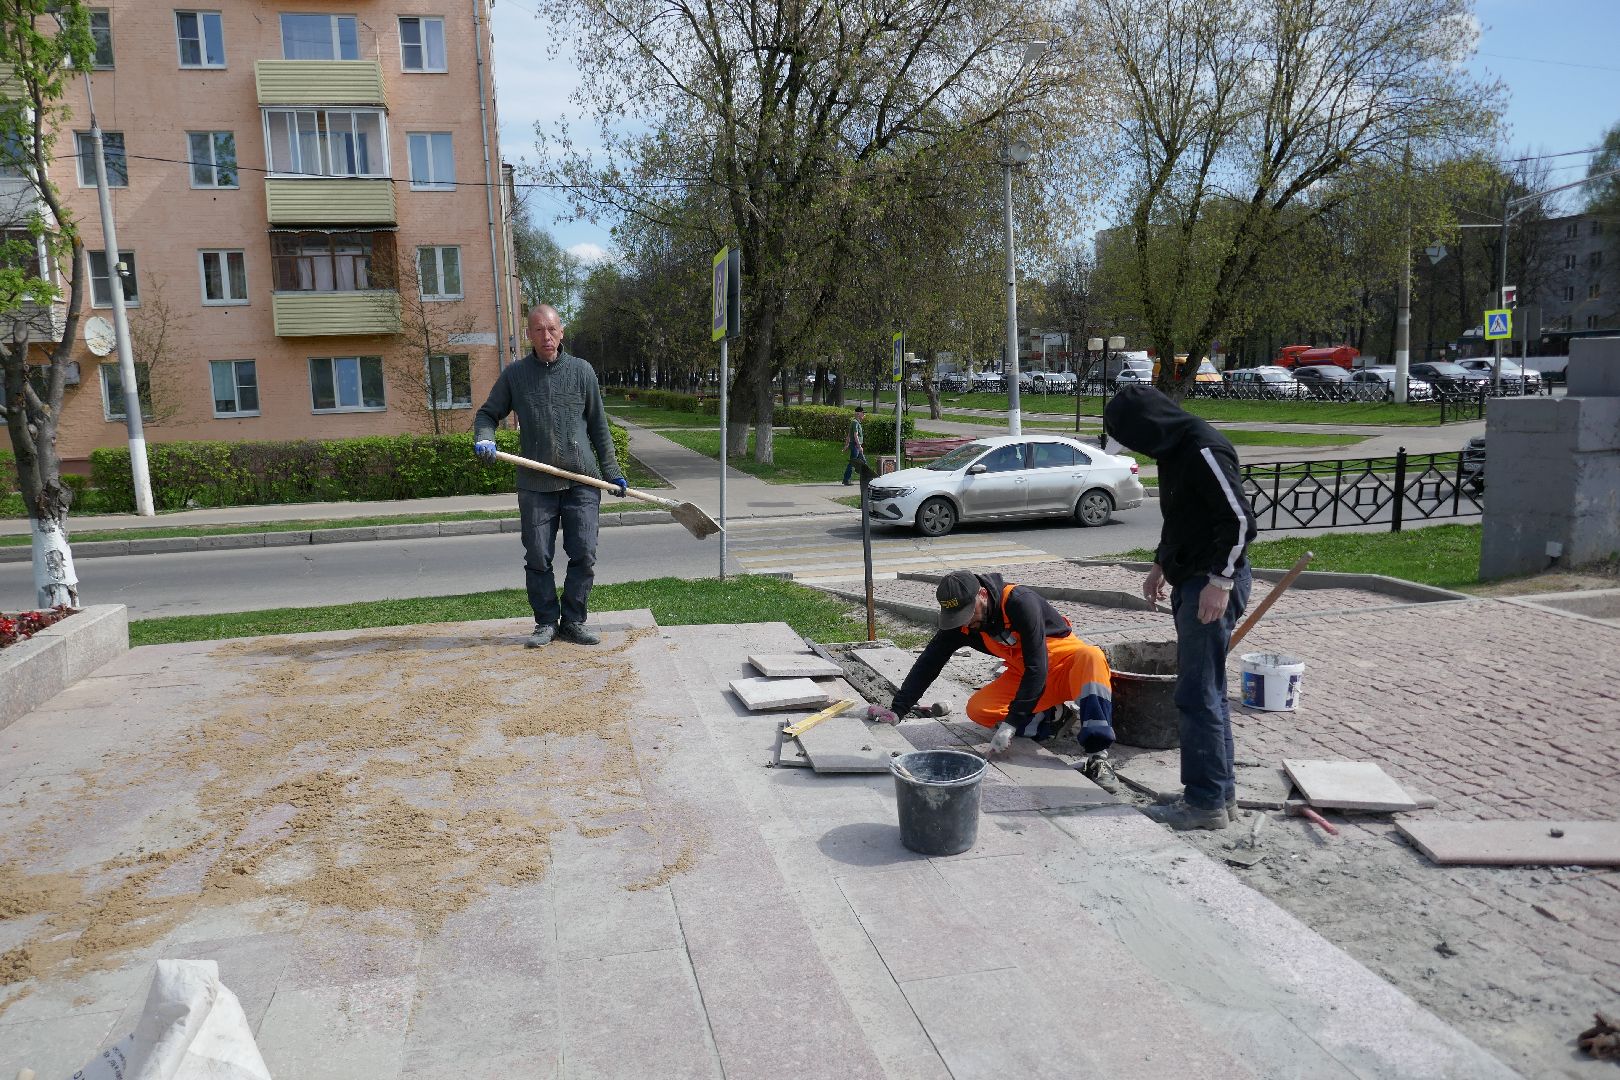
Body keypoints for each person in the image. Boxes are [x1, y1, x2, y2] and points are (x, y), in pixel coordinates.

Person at [1102, 384, 1258, 830]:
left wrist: (1220, 582)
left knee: (1196, 694)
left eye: (1135, 441)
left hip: (1210, 583)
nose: (1138, 450)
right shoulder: (1175, 449)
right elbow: (1182, 519)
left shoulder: (1204, 449)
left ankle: (1204, 803)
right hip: (1191, 577)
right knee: (1208, 691)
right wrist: (1160, 565)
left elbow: (1239, 522)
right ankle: (1219, 793)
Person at [474, 305, 627, 648]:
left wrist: (612, 472)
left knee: (584, 553)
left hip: (582, 482)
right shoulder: (515, 375)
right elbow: (487, 414)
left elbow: (599, 427)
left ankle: (573, 621)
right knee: (538, 556)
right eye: (539, 330)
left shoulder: (582, 371)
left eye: (552, 329)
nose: (546, 336)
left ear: (562, 332)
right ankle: (545, 622)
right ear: (529, 334)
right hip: (535, 484)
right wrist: (485, 437)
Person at [869, 570, 1115, 761]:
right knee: (979, 710)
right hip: (1026, 675)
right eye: (959, 617)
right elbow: (929, 662)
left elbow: (1037, 667)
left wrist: (1011, 723)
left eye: (969, 612)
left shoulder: (1019, 602)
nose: (966, 622)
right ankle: (1054, 718)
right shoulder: (963, 625)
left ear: (983, 595)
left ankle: (1097, 753)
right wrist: (898, 710)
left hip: (1067, 669)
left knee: (1091, 656)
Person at [842, 405, 866, 485]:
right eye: (863, 413)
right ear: (858, 414)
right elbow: (855, 435)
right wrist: (859, 446)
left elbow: (849, 435)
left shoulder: (856, 422)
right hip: (856, 446)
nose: (864, 415)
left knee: (862, 462)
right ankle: (846, 479)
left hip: (856, 445)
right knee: (853, 462)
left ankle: (865, 477)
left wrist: (846, 445)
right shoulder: (855, 422)